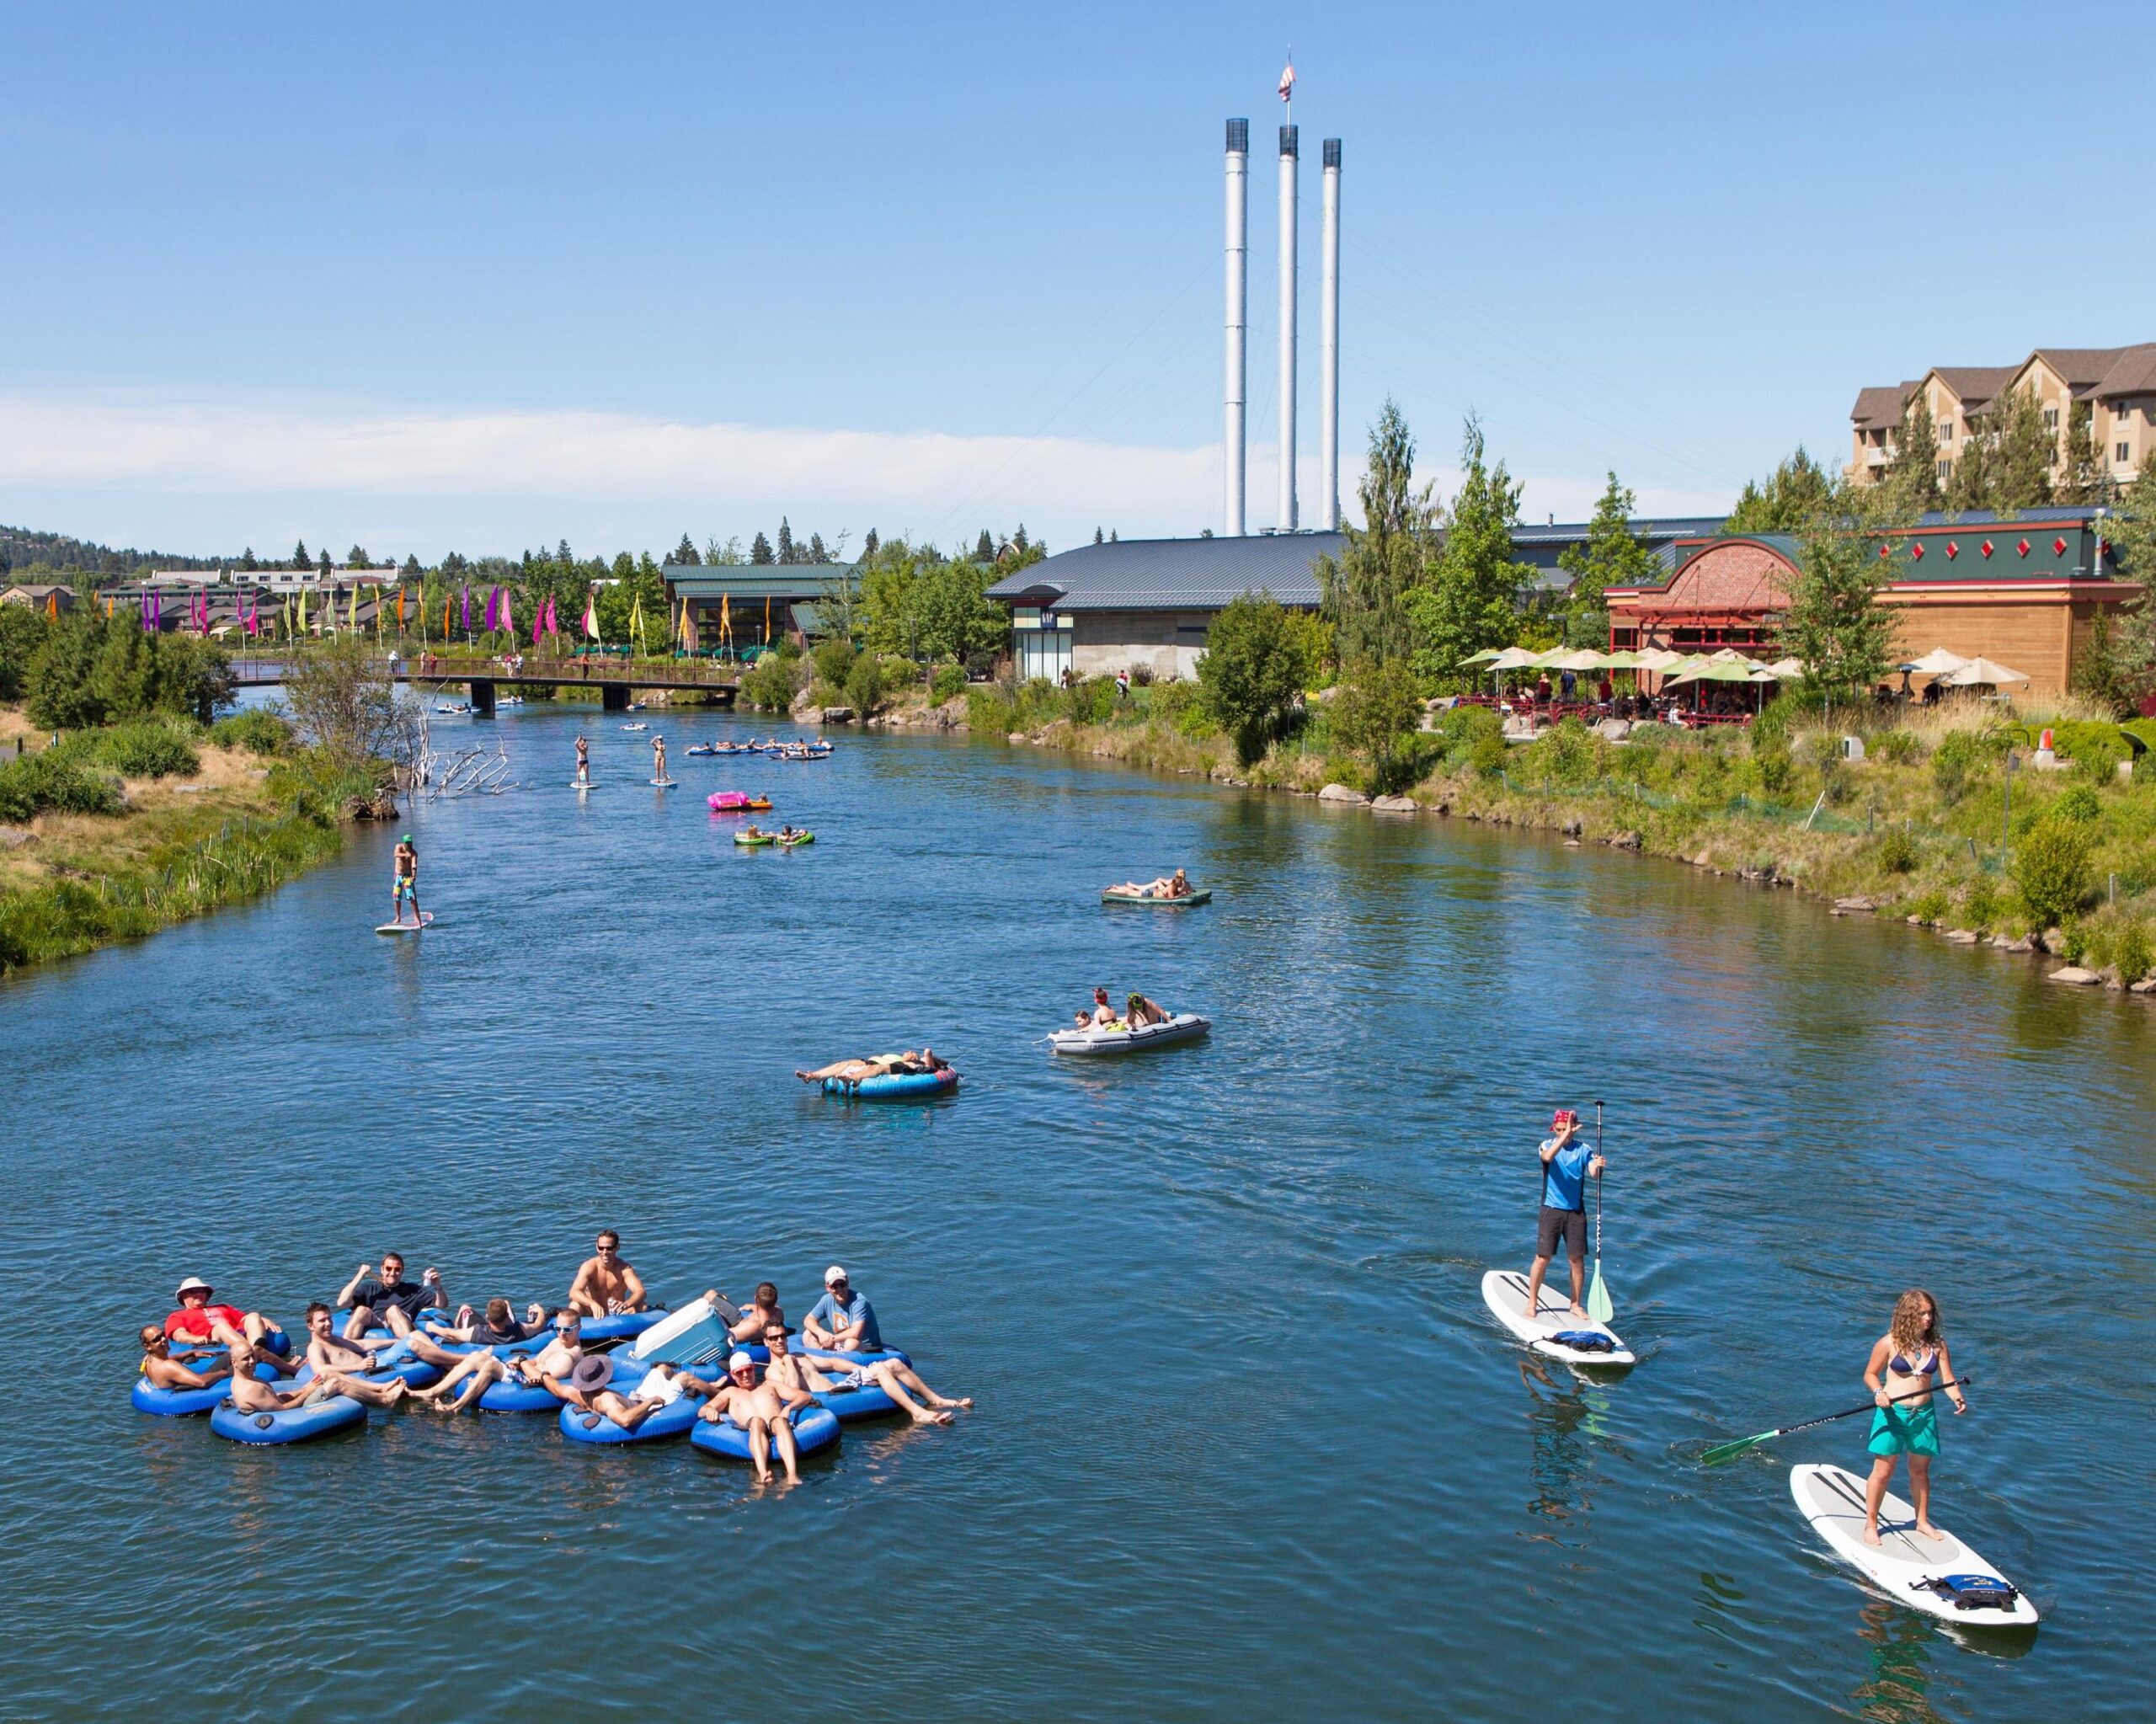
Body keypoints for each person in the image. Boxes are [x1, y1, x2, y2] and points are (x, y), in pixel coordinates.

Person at [1861, 1289, 1967, 1546]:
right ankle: (1871, 1524)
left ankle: (1921, 1522)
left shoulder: (1938, 1346)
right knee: (1883, 1472)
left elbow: (1948, 1379)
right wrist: (1878, 1392)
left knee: (1920, 1472)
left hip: (1924, 1416)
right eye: (1921, 1313)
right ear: (1909, 1314)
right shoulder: (1888, 1343)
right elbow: (1870, 1374)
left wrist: (1956, 1396)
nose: (1928, 1318)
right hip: (1892, 1414)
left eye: (1930, 1313)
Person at [760, 1319, 968, 1428]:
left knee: (893, 1363)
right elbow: (794, 1390)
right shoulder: (772, 1372)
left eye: (782, 1336)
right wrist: (788, 1363)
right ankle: (917, 1413)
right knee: (880, 1369)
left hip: (842, 1386)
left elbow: (833, 1363)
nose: (779, 1341)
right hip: (831, 1397)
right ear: (766, 1342)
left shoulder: (799, 1354)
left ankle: (937, 1400)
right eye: (774, 1338)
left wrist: (862, 1370)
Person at [1524, 1109, 1605, 1324]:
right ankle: (1532, 1302)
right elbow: (1547, 1157)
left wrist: (1598, 1166)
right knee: (1544, 1257)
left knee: (1576, 1259)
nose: (1563, 1133)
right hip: (1551, 1209)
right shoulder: (1546, 1144)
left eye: (1566, 1130)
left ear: (1575, 1129)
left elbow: (1594, 1173)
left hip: (1575, 1212)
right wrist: (1564, 1135)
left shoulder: (1583, 1150)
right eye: (1559, 1130)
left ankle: (1575, 1304)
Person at [413, 1310, 581, 1413]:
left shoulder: (569, 1357)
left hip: (530, 1382)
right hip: (523, 1372)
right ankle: (433, 1392)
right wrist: (520, 1363)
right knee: (476, 1356)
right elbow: (537, 1361)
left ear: (578, 1329)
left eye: (567, 1330)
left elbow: (541, 1380)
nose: (562, 1333)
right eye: (558, 1329)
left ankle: (456, 1407)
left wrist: (522, 1363)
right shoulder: (556, 1342)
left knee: (491, 1365)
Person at [692, 1349, 814, 1483]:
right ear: (733, 1375)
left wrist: (788, 1408)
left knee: (780, 1422)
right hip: (753, 1428)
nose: (745, 1375)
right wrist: (710, 1410)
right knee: (757, 1422)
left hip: (776, 1424)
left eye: (748, 1370)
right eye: (739, 1372)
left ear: (754, 1368)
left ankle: (792, 1475)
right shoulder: (730, 1392)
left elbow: (804, 1396)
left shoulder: (769, 1385)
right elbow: (702, 1411)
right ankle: (763, 1473)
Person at [543, 1353, 683, 1433]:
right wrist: (651, 1401)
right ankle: (703, 1391)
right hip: (648, 1406)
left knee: (663, 1368)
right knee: (684, 1378)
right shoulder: (606, 1399)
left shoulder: (576, 1393)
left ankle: (672, 1378)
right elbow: (625, 1420)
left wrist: (543, 1375)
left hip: (638, 1397)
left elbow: (556, 1388)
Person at [164, 1277, 289, 1361]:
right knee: (221, 1326)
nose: (198, 1294)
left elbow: (244, 1318)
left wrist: (263, 1319)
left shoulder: (223, 1307)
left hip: (236, 1334)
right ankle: (250, 1353)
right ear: (184, 1297)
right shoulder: (177, 1316)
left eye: (201, 1291)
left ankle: (257, 1349)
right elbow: (179, 1334)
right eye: (192, 1292)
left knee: (254, 1315)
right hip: (214, 1342)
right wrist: (196, 1338)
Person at [337, 1253, 446, 1340]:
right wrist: (360, 1276)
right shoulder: (370, 1288)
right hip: (377, 1321)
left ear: (402, 1271)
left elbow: (441, 1304)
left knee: (392, 1310)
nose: (392, 1273)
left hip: (399, 1319)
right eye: (388, 1269)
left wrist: (437, 1285)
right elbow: (342, 1303)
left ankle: (410, 1345)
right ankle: (347, 1346)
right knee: (361, 1310)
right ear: (382, 1270)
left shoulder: (412, 1290)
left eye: (397, 1269)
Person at [568, 1230, 648, 1317]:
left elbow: (640, 1292)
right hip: (592, 1313)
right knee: (574, 1305)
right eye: (601, 1248)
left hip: (617, 1313)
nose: (605, 1252)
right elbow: (574, 1292)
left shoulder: (625, 1269)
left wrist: (626, 1304)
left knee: (642, 1306)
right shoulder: (589, 1267)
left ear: (617, 1247)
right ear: (596, 1246)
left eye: (609, 1248)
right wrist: (592, 1304)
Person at [803, 1267, 883, 1354]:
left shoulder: (859, 1302)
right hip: (842, 1343)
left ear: (848, 1283)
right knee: (808, 1334)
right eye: (834, 1286)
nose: (839, 1290)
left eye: (842, 1284)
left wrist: (831, 1339)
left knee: (851, 1343)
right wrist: (821, 1333)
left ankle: (835, 1364)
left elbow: (855, 1333)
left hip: (868, 1346)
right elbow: (809, 1319)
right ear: (828, 1288)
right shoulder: (826, 1300)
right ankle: (822, 1362)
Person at [138, 1326, 233, 1395]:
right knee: (234, 1360)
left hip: (177, 1386)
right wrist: (224, 1373)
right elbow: (201, 1382)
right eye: (157, 1339)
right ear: (147, 1346)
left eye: (163, 1334)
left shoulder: (147, 1360)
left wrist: (191, 1352)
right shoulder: (169, 1366)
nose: (163, 1339)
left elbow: (167, 1360)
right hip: (193, 1390)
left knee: (231, 1355)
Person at [796, 1049, 946, 1084]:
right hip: (878, 1062)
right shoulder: (893, 1056)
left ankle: (853, 1079)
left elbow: (928, 1054)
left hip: (900, 1067)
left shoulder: (919, 1063)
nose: (909, 1051)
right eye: (908, 1051)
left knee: (876, 1069)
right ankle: (813, 1076)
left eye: (912, 1052)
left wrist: (927, 1057)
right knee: (843, 1064)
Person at [390, 833, 420, 927]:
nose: (409, 845)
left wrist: (414, 875)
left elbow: (414, 865)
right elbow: (395, 854)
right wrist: (405, 854)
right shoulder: (399, 847)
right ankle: (398, 917)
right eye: (407, 843)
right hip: (398, 876)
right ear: (404, 843)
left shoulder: (414, 853)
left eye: (410, 843)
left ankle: (416, 917)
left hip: (407, 877)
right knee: (397, 897)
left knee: (411, 896)